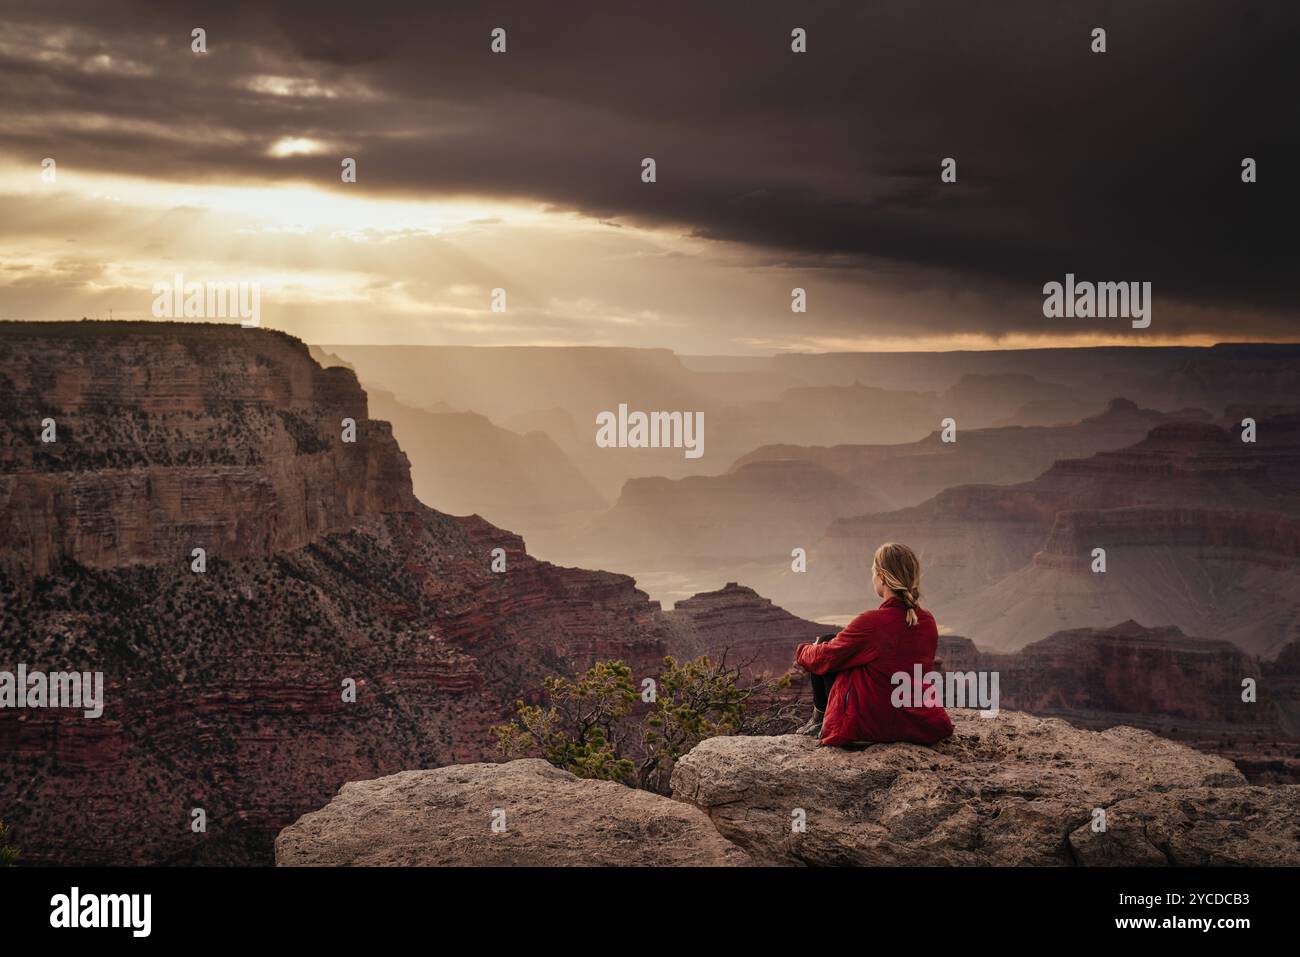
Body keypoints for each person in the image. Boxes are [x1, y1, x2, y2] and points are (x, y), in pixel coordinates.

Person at [793, 542, 953, 747]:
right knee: (839, 648)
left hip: (875, 723)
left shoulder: (872, 623)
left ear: (883, 577)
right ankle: (819, 720)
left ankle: (819, 721)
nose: (872, 577)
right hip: (919, 721)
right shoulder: (927, 621)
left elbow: (824, 658)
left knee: (825, 644)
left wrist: (804, 650)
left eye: (873, 572)